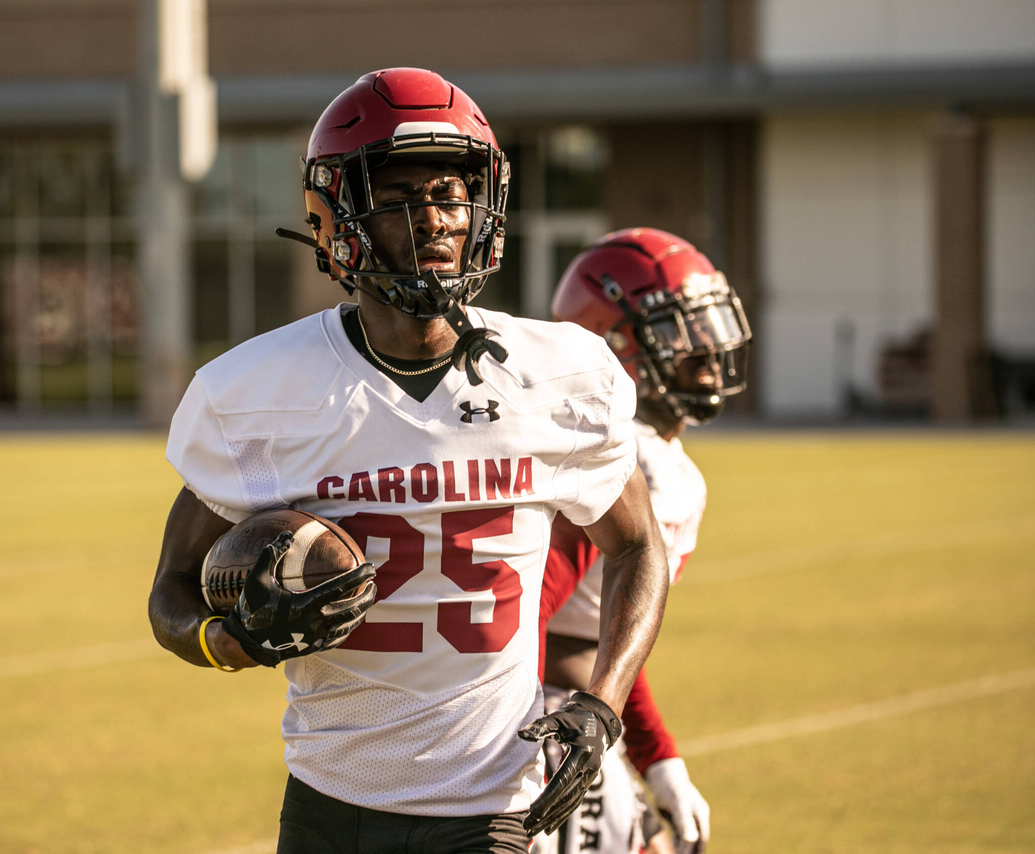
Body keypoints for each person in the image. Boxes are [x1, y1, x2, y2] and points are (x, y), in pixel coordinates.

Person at [148, 69, 671, 854]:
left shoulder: (557, 377)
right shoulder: (258, 392)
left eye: (450, 193)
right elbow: (171, 592)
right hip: (331, 802)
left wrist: (603, 702)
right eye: (398, 196)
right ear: (336, 217)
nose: (433, 217)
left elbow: (637, 546)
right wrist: (224, 642)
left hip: (493, 805)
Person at [535, 228, 753, 854]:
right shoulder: (621, 457)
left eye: (709, 325)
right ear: (615, 345)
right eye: (681, 332)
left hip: (579, 714)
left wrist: (659, 760)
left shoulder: (667, 464)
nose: (708, 350)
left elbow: (618, 637)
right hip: (543, 723)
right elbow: (519, 618)